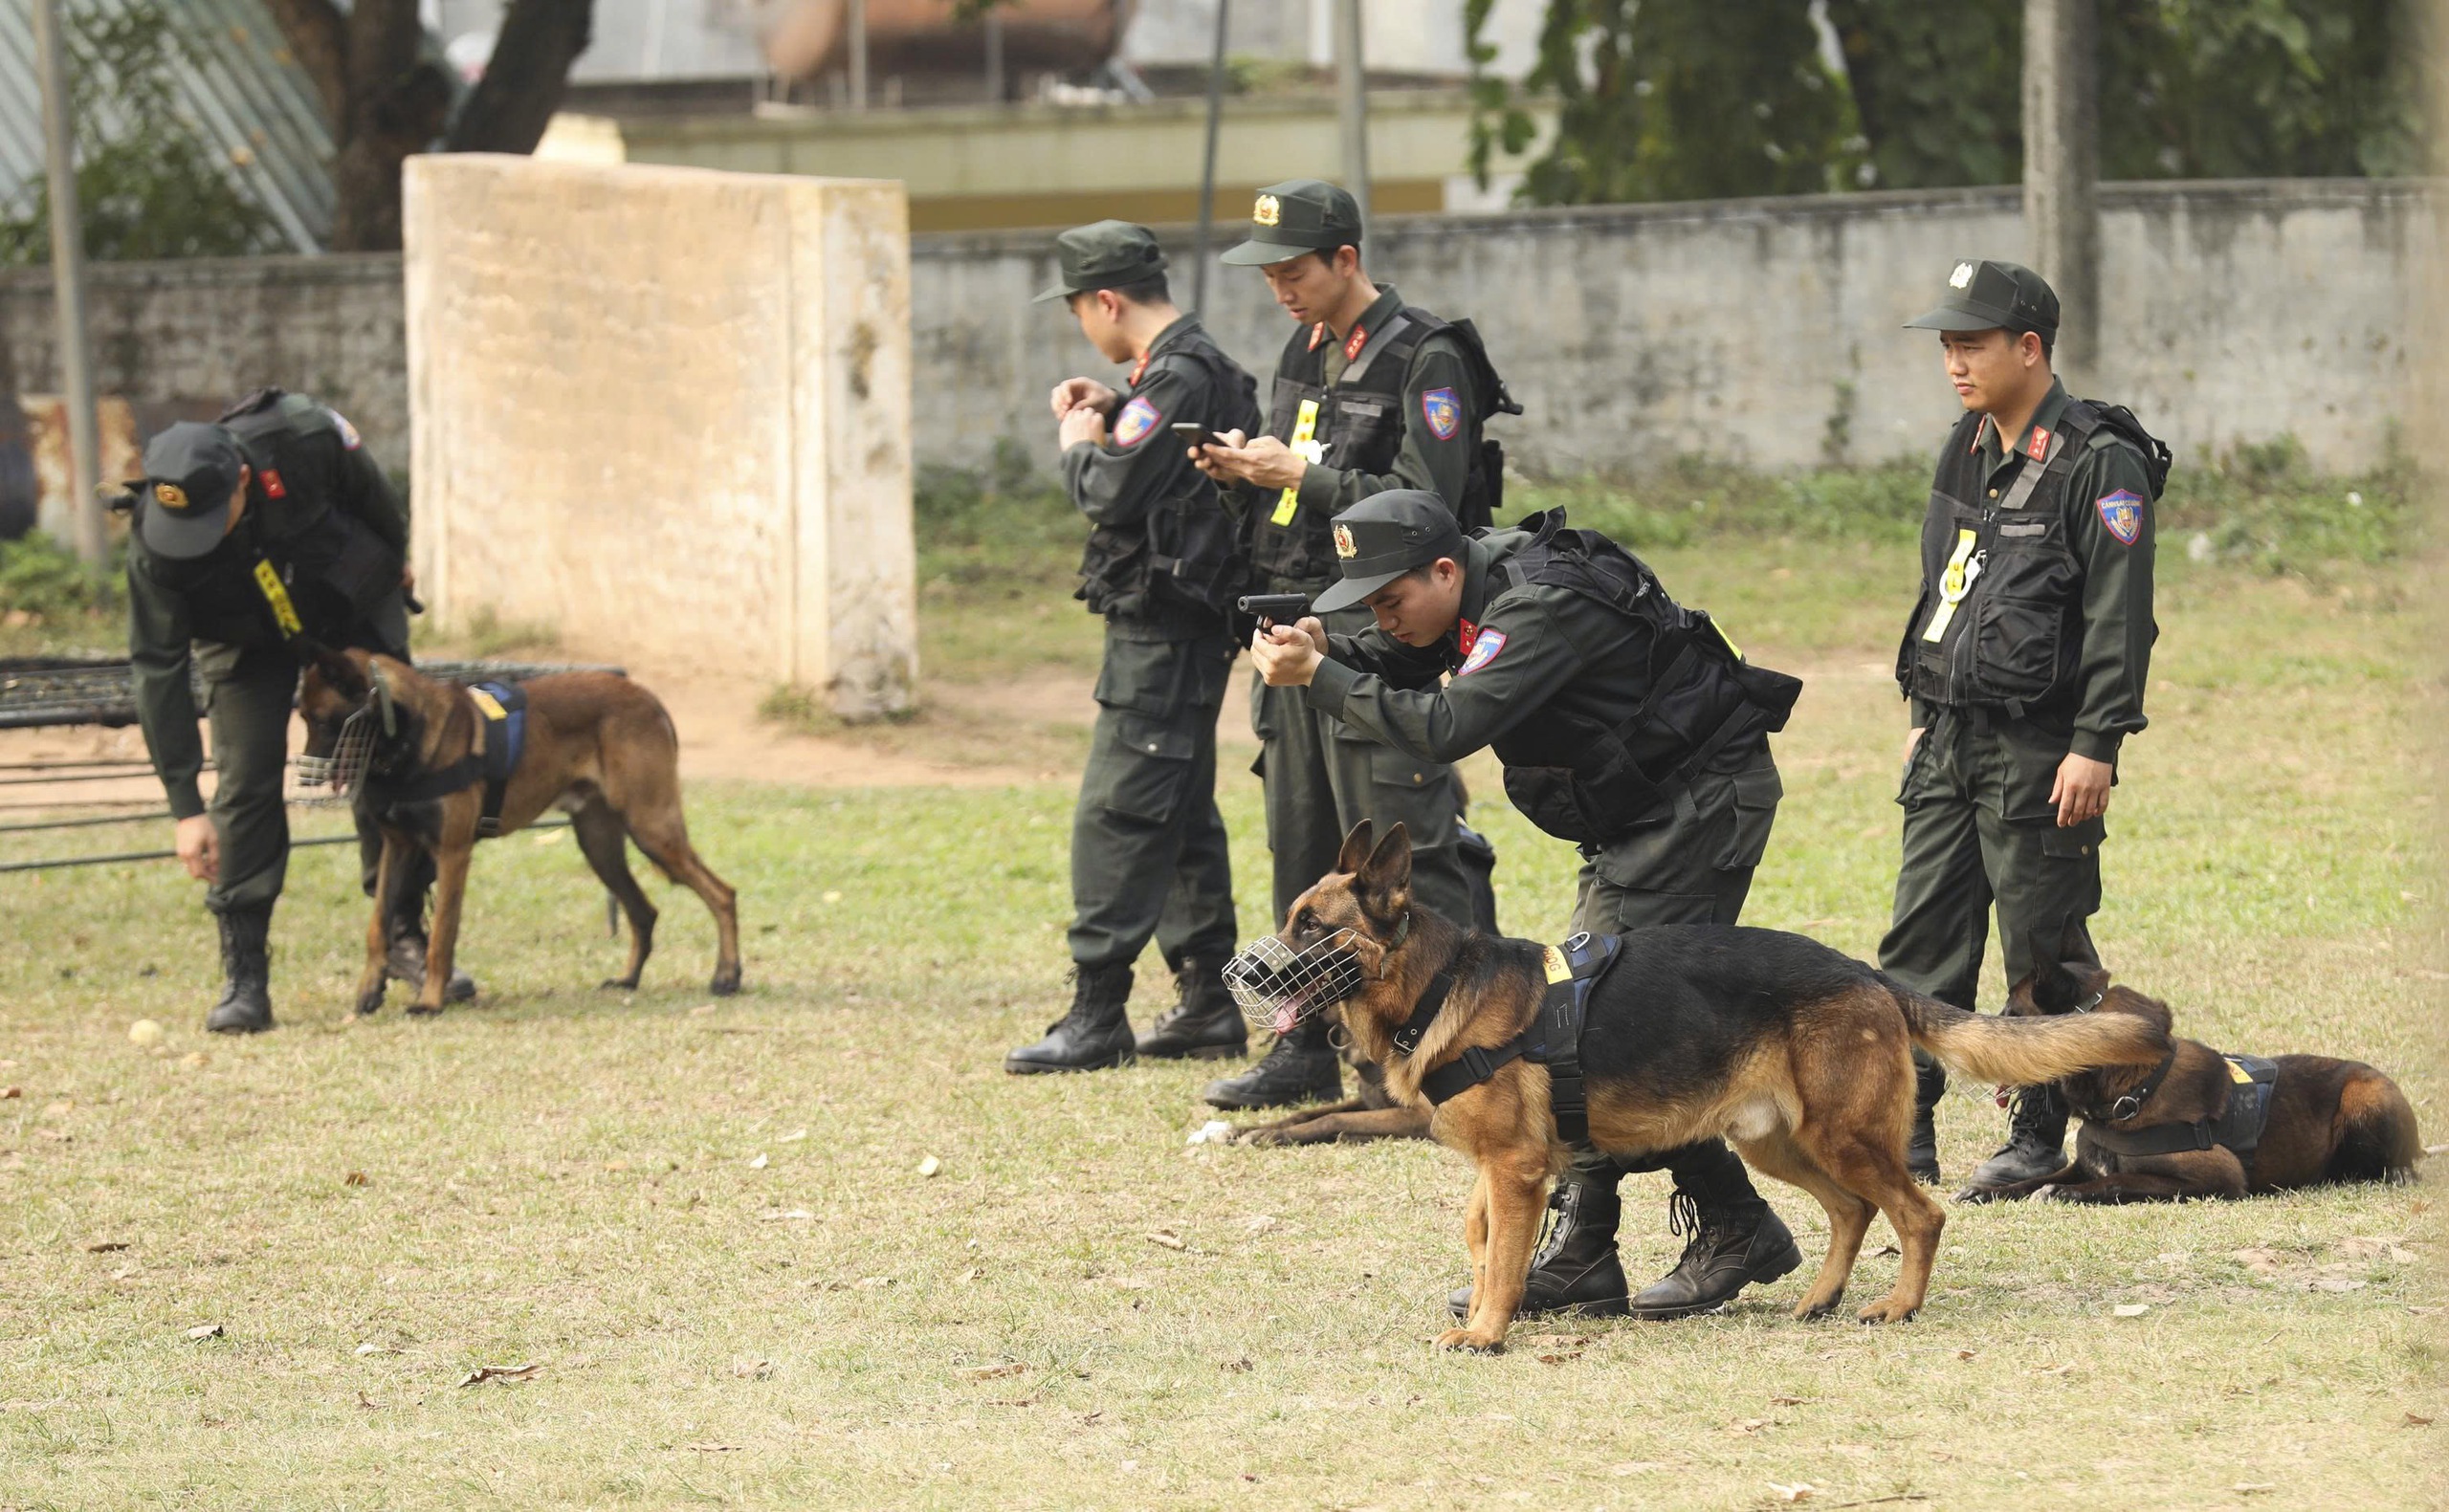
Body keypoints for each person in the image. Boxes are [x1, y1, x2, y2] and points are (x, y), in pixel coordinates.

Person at [1249, 490, 1807, 1321]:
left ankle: (1732, 1224)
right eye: (1368, 605)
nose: (1384, 617)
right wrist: (1341, 647)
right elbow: (1426, 655)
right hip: (1635, 813)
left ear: (1445, 569)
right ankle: (1589, 1249)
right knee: (1577, 1028)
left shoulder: (1541, 603)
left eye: (1389, 601)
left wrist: (1323, 678)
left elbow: (1449, 722)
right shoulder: (1471, 593)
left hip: (1695, 803)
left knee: (1602, 1024)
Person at [1191, 177, 1517, 1112]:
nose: (1279, 291)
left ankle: (1467, 1049)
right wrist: (1241, 473)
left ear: (1346, 259)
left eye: (1294, 271)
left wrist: (1309, 472)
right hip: (1296, 622)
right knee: (1301, 846)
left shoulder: (1428, 356)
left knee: (1400, 849)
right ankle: (1303, 1046)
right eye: (1268, 275)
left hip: (1384, 631)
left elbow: (1427, 501)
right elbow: (1298, 493)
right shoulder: (1307, 349)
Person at [1882, 260, 2165, 1197]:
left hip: (2042, 747)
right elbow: (1946, 589)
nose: (1953, 362)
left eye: (1971, 344)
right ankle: (1901, 1129)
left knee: (2040, 947)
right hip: (1952, 739)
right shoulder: (1966, 445)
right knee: (1919, 946)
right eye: (1946, 346)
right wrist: (1925, 713)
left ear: (2029, 349)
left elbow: (2121, 617)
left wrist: (2097, 743)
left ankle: (2039, 1133)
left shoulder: (2099, 459)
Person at [1004, 222, 1265, 1074]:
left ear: (1107, 301)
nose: (1085, 325)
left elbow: (1114, 492)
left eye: (1082, 309)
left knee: (1118, 811)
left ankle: (1097, 1011)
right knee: (1179, 805)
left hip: (1164, 630)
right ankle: (1207, 1000)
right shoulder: (1186, 371)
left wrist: (1083, 446)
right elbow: (1169, 462)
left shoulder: (1182, 371)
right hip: (1180, 623)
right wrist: (1119, 409)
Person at [125, 391, 469, 1034]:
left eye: (209, 517)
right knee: (247, 781)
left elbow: (371, 493)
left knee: (392, 757)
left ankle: (402, 937)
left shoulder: (301, 436)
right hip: (241, 637)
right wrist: (183, 806)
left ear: (244, 481)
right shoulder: (156, 542)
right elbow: (158, 670)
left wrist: (395, 564)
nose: (191, 540)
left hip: (343, 602)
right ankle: (246, 977)